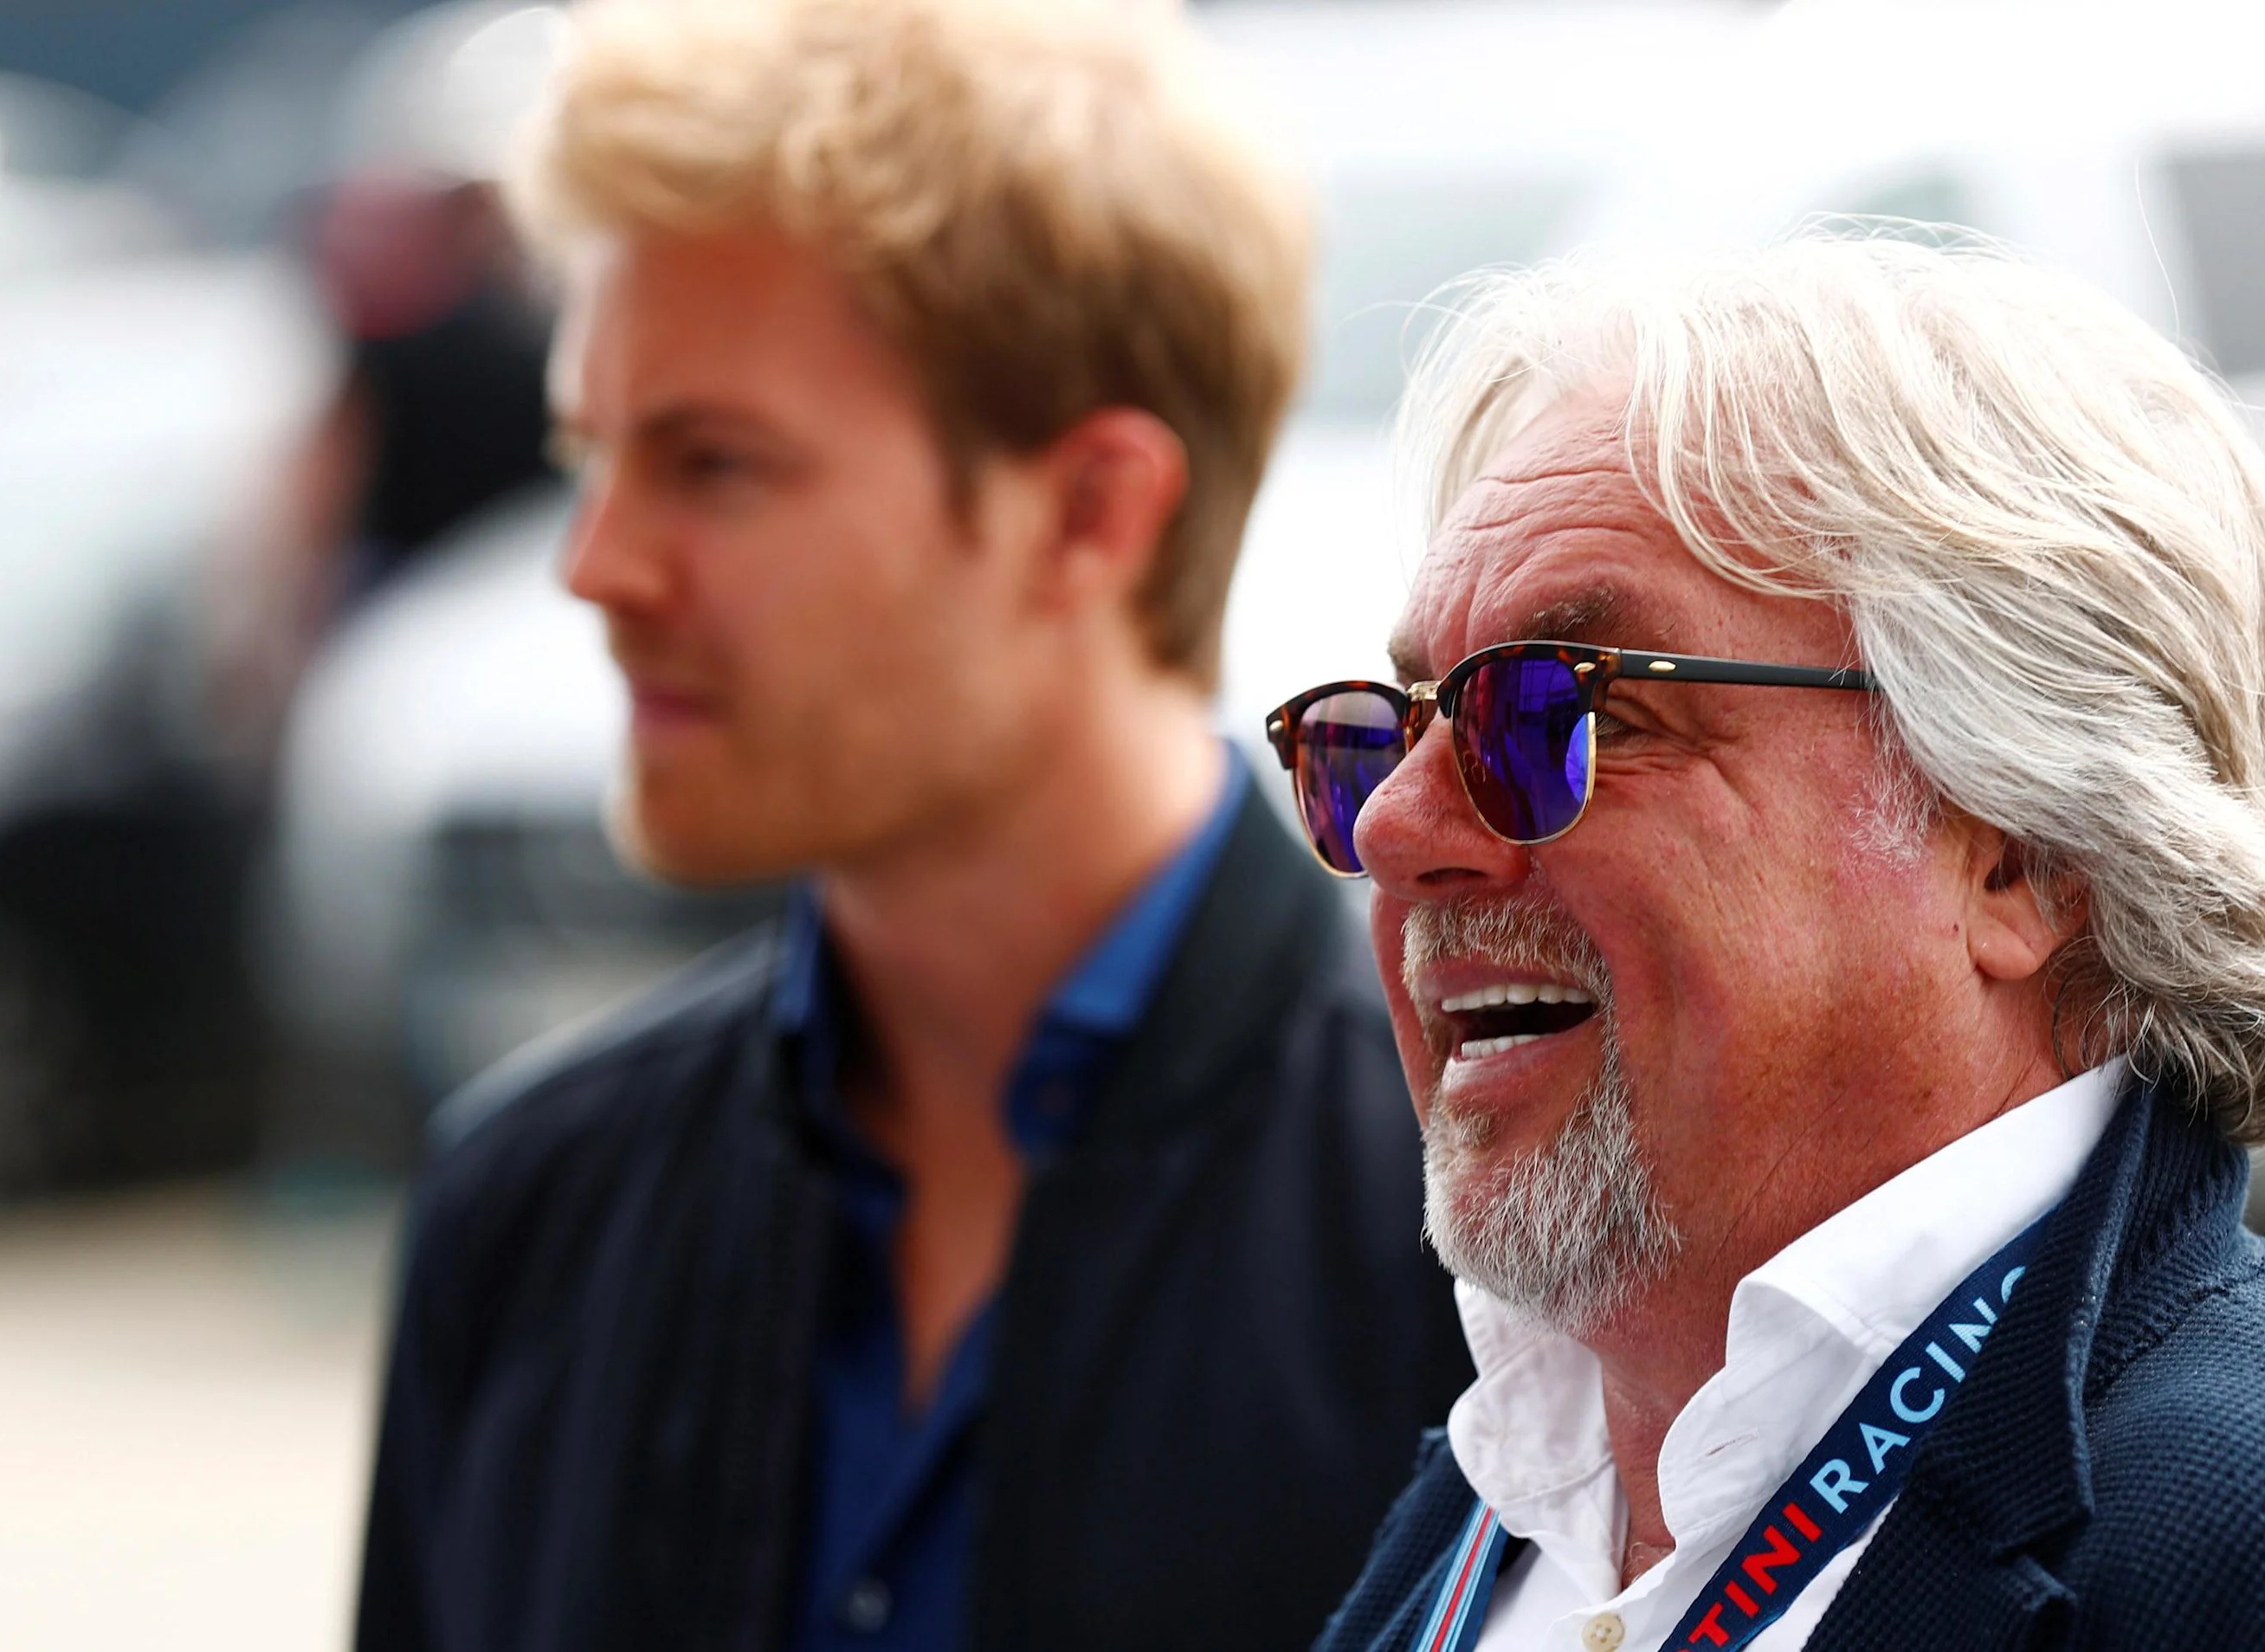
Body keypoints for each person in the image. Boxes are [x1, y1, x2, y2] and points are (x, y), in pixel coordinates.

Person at [1280, 235, 2265, 1651]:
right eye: (1395, 729)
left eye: (1564, 714)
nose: (1394, 827)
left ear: (2024, 850)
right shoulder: (1517, 1494)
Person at [353, 2, 1474, 1648]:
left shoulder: (1482, 1233)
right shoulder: (526, 1217)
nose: (596, 565)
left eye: (712, 465)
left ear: (1089, 511)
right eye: (592, 455)